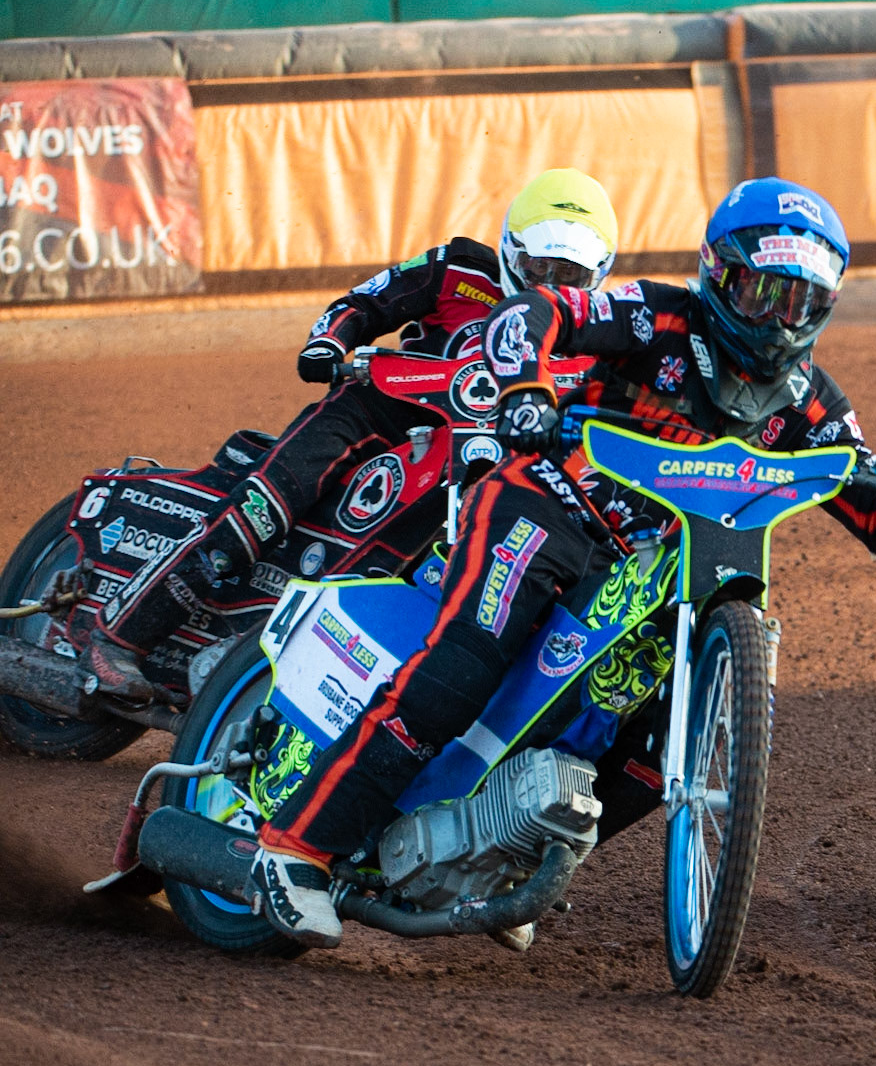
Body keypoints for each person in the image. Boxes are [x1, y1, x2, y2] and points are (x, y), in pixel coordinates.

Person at [248, 177, 876, 947]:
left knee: (656, 747)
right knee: (461, 668)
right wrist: (526, 388)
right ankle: (296, 851)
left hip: (657, 569)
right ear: (719, 272)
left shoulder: (808, 401)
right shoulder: (657, 315)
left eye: (801, 301)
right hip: (546, 503)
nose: (780, 320)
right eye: (762, 293)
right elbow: (531, 313)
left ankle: (509, 859)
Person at [78, 169, 620, 702]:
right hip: (376, 414)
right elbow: (363, 303)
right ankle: (116, 635)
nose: (551, 283)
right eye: (538, 265)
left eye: (568, 273)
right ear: (509, 250)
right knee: (265, 507)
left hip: (481, 460)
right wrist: (327, 344)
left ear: (598, 273)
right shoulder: (457, 268)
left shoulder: (597, 330)